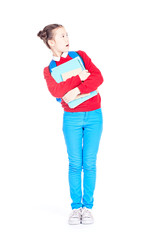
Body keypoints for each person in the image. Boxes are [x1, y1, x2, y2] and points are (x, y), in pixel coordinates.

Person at [37, 24, 104, 225]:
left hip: (94, 115)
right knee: (75, 163)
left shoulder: (80, 55)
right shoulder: (49, 70)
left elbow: (98, 77)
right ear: (51, 42)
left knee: (89, 163)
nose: (67, 38)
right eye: (62, 36)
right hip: (72, 118)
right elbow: (57, 92)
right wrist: (78, 78)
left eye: (67, 34)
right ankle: (76, 208)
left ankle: (88, 208)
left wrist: (75, 91)